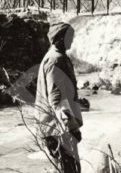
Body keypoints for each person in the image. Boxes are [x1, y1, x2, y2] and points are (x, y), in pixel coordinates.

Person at [35, 22, 83, 173]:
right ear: (59, 39)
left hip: (54, 128)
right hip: (58, 129)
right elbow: (57, 100)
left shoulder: (56, 57)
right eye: (70, 37)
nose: (72, 40)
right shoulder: (56, 60)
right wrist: (71, 127)